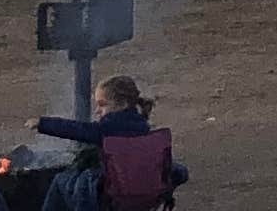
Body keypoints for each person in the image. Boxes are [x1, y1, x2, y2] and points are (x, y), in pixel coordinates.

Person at [34, 74, 187, 191]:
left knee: (62, 181)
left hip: (117, 192)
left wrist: (42, 123)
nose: (97, 111)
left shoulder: (107, 130)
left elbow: (76, 129)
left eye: (102, 105)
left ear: (123, 104)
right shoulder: (143, 128)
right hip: (146, 192)